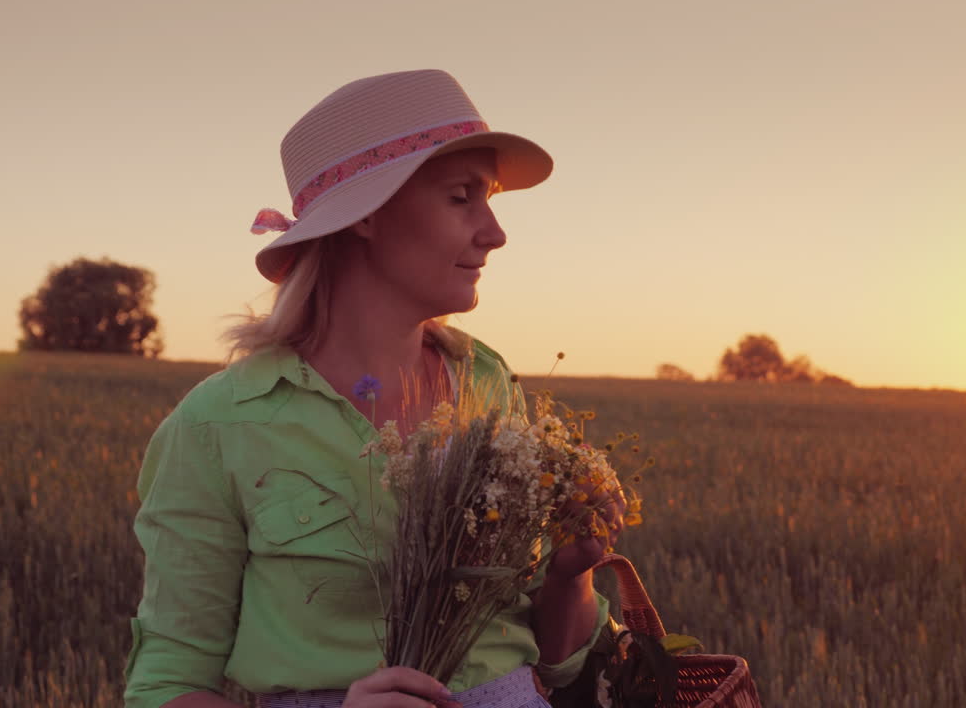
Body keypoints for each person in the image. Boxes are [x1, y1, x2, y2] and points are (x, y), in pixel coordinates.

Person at [124, 69, 624, 708]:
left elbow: (555, 664)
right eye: (462, 196)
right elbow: (164, 686)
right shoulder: (219, 423)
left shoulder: (487, 382)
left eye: (490, 199)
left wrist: (571, 573)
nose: (495, 232)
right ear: (366, 217)